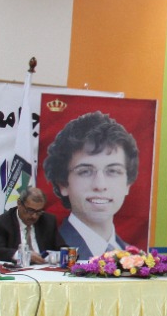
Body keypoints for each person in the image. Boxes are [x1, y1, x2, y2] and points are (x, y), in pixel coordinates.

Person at [43, 111, 139, 259]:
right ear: (63, 184)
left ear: (128, 184)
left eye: (113, 171)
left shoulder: (135, 256)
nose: (100, 185)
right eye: (85, 171)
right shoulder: (50, 252)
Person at [0, 187, 60, 263]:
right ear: (19, 203)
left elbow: (62, 248)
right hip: (17, 268)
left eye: (39, 211)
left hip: (44, 268)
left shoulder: (48, 221)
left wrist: (52, 256)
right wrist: (23, 255)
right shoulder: (1, 223)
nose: (34, 216)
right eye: (30, 210)